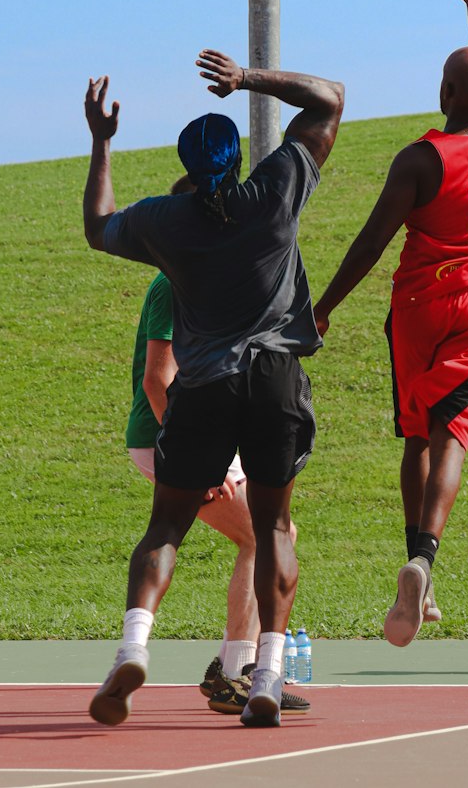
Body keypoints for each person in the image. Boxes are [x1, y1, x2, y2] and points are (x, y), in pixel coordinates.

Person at [84, 49, 344, 727]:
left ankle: (131, 651)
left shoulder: (165, 223)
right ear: (237, 159)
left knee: (166, 525)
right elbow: (329, 97)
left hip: (203, 385)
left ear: (187, 169)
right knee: (273, 525)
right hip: (275, 377)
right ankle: (265, 675)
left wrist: (101, 143)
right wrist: (247, 80)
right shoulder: (278, 187)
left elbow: (96, 224)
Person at [312, 0, 468, 647]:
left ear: (444, 94)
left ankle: (416, 572)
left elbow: (370, 243)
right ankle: (423, 563)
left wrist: (325, 306)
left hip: (415, 311)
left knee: (414, 434)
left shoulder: (419, 159)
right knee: (453, 434)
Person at [125, 191, 310, 717]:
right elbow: (159, 381)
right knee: (262, 534)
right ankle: (235, 672)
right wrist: (201, 464)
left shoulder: (205, 276)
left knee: (274, 534)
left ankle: (238, 666)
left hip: (197, 432)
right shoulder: (171, 283)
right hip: (163, 434)